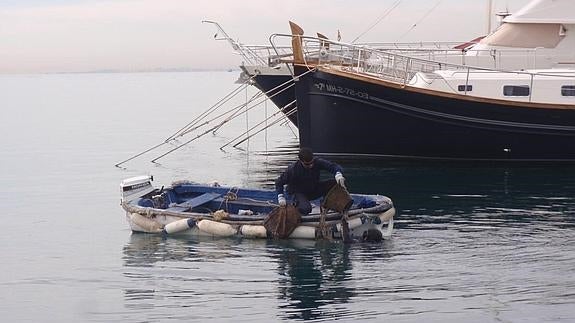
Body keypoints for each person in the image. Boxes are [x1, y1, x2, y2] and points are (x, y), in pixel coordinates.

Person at [275, 147, 346, 215]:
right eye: (307, 164)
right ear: (301, 161)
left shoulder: (317, 162)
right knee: (306, 209)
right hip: (298, 193)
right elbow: (279, 182)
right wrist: (281, 196)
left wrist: (338, 173)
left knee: (336, 183)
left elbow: (333, 166)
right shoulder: (293, 170)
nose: (311, 165)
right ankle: (297, 207)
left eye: (312, 163)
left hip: (313, 189)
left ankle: (328, 204)